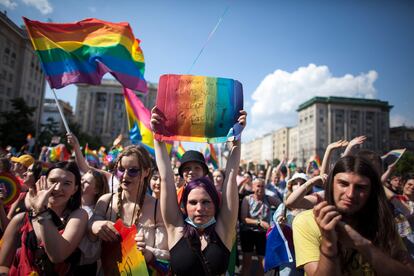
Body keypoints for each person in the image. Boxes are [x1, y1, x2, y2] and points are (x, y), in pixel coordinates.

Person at [151, 107, 246, 275]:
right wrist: (158, 138)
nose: (200, 208)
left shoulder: (223, 229)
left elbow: (230, 178)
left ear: (216, 204)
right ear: (184, 206)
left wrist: (237, 139)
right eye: (192, 202)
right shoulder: (176, 228)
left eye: (206, 202)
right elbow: (166, 177)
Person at [292, 156, 414, 275]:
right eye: (343, 184)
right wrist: (329, 243)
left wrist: (362, 243)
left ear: (371, 191)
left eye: (360, 187)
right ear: (331, 184)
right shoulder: (307, 221)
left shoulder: (381, 220)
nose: (350, 194)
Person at [90, 145, 169, 273]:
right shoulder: (105, 201)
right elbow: (89, 239)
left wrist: (148, 253)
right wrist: (94, 225)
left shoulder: (157, 208)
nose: (125, 175)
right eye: (121, 169)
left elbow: (166, 257)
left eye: (133, 170)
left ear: (146, 172)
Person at [0, 161, 87, 275]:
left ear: (75, 189)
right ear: (43, 182)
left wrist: (42, 211)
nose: (57, 188)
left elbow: (57, 255)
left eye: (67, 183)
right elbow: (3, 265)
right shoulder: (21, 219)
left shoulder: (78, 215)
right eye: (53, 181)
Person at [240, 178, 281, 276]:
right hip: (248, 233)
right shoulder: (247, 199)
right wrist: (259, 222)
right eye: (258, 186)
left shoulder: (268, 198)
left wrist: (280, 216)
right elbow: (243, 218)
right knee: (247, 262)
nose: (261, 188)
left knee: (263, 263)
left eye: (263, 186)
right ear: (253, 187)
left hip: (263, 233)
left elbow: (282, 205)